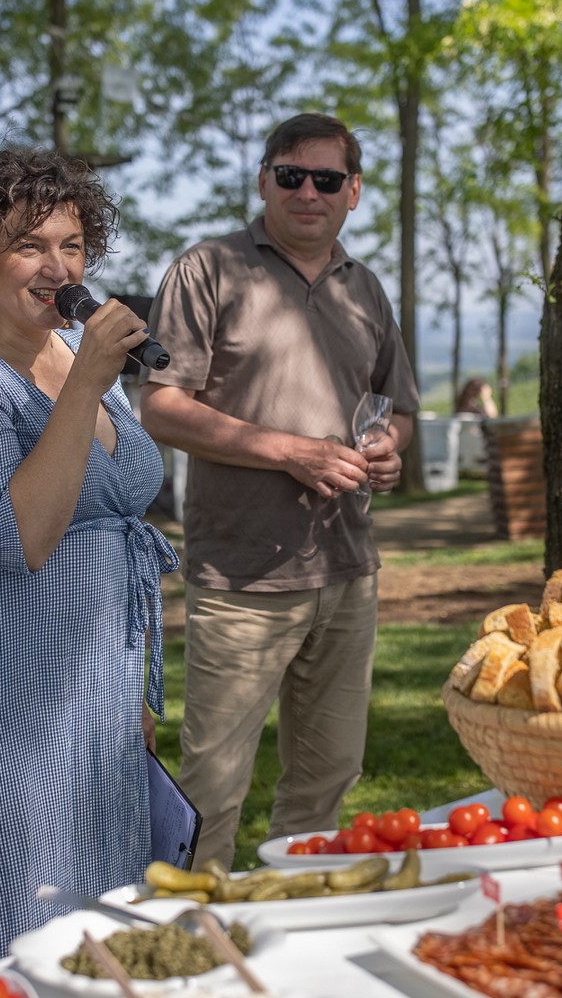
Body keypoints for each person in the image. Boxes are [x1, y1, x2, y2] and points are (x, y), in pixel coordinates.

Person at [0, 149, 179, 974]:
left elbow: (119, 497)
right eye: (29, 245)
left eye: (74, 245)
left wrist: (127, 693)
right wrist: (88, 380)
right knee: (18, 900)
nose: (59, 267)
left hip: (90, 674)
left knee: (105, 898)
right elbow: (18, 536)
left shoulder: (76, 359)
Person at [140, 112, 420, 867]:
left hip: (347, 570)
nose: (307, 192)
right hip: (241, 576)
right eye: (290, 175)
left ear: (352, 192)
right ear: (263, 180)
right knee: (212, 785)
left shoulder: (365, 290)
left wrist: (388, 452)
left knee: (326, 777)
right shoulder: (208, 270)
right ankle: (189, 945)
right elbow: (160, 406)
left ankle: (280, 933)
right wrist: (289, 452)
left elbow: (397, 412)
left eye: (326, 179)